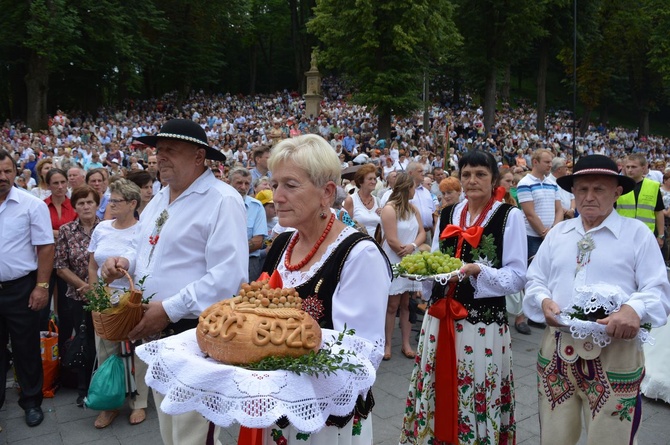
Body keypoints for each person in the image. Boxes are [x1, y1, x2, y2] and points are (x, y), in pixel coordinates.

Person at [101, 118, 248, 445]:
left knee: (194, 435)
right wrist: (125, 262)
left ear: (199, 156)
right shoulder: (160, 198)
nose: (161, 156)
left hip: (194, 334)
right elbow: (146, 248)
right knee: (171, 429)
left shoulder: (222, 200)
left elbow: (228, 278)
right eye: (158, 150)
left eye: (171, 149)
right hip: (157, 330)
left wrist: (168, 308)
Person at [523, 155, 670, 445]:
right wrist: (542, 301)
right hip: (557, 350)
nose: (589, 197)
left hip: (616, 351)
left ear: (617, 192)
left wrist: (633, 309)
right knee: (554, 438)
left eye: (599, 189)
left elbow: (659, 290)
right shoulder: (558, 234)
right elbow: (535, 279)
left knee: (611, 439)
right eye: (582, 189)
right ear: (573, 192)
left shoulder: (637, 235)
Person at [260, 134, 391, 444]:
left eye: (290, 185)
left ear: (326, 193)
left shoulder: (359, 254)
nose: (276, 196)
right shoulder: (281, 244)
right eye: (275, 184)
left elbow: (360, 357)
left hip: (326, 422)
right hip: (274, 410)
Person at [400, 150, 527, 445]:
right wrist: (422, 275)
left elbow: (518, 275)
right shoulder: (447, 214)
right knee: (437, 384)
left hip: (481, 324)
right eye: (467, 174)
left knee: (475, 385)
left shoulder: (510, 216)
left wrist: (477, 270)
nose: (472, 181)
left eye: (480, 174)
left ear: (494, 179)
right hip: (440, 316)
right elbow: (434, 260)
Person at [0, 149, 54, 427]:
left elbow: (45, 246)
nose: (3, 177)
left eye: (8, 171)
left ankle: (32, 401)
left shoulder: (31, 205)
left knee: (25, 348)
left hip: (21, 287)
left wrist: (41, 286)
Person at [87, 179, 146, 428]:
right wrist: (95, 295)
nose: (110, 205)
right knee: (106, 352)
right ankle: (110, 403)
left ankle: (139, 402)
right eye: (110, 200)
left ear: (132, 203)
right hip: (105, 299)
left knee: (137, 351)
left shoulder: (143, 230)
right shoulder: (101, 228)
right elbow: (92, 265)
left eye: (116, 201)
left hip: (133, 298)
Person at [54, 185, 100, 407]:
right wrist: (84, 286)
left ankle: (105, 385)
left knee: (105, 343)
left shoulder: (107, 228)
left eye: (90, 202)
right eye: (81, 203)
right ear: (75, 207)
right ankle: (83, 389)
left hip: (105, 296)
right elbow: (60, 266)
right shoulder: (66, 231)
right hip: (77, 296)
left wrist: (97, 288)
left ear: (97, 204)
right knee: (84, 343)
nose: (86, 206)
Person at [380, 172, 425, 360]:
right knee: (392, 304)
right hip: (394, 259)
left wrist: (413, 247)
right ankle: (387, 343)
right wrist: (403, 250)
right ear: (407, 188)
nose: (416, 190)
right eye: (414, 187)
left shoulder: (413, 209)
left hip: (410, 258)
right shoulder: (389, 209)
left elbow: (422, 232)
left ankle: (406, 343)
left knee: (408, 303)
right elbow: (391, 239)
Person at [42, 168, 78, 330]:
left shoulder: (74, 206)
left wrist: (51, 232)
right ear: (48, 185)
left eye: (63, 182)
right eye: (55, 183)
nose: (60, 186)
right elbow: (37, 233)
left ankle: (65, 348)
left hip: (67, 262)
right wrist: (63, 232)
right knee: (42, 306)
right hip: (44, 260)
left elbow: (75, 233)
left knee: (66, 308)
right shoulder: (41, 206)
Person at [517, 148, 562, 261]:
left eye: (551, 162)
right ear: (535, 162)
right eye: (547, 162)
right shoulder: (525, 183)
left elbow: (559, 210)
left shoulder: (553, 184)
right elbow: (530, 213)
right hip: (532, 237)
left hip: (551, 235)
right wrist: (545, 234)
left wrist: (553, 231)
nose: (550, 165)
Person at [617, 153, 665, 248]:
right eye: (628, 167)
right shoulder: (618, 186)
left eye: (634, 167)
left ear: (643, 168)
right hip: (623, 234)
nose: (630, 170)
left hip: (646, 234)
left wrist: (661, 235)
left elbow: (659, 212)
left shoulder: (653, 186)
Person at [229, 167, 267, 281]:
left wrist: (229, 251)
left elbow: (258, 241)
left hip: (249, 263)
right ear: (229, 183)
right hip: (222, 263)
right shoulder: (218, 203)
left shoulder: (257, 206)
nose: (243, 187)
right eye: (239, 183)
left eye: (247, 183)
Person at [343, 163, 382, 235]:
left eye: (374, 179)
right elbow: (345, 227)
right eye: (370, 179)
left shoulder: (377, 200)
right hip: (358, 243)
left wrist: (384, 215)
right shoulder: (351, 200)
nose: (374, 182)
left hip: (376, 244)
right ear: (361, 182)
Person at [407, 161, 436, 240]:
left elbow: (433, 213)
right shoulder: (404, 192)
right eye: (420, 171)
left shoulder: (426, 192)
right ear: (410, 173)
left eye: (423, 171)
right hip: (412, 234)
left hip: (428, 234)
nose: (423, 174)